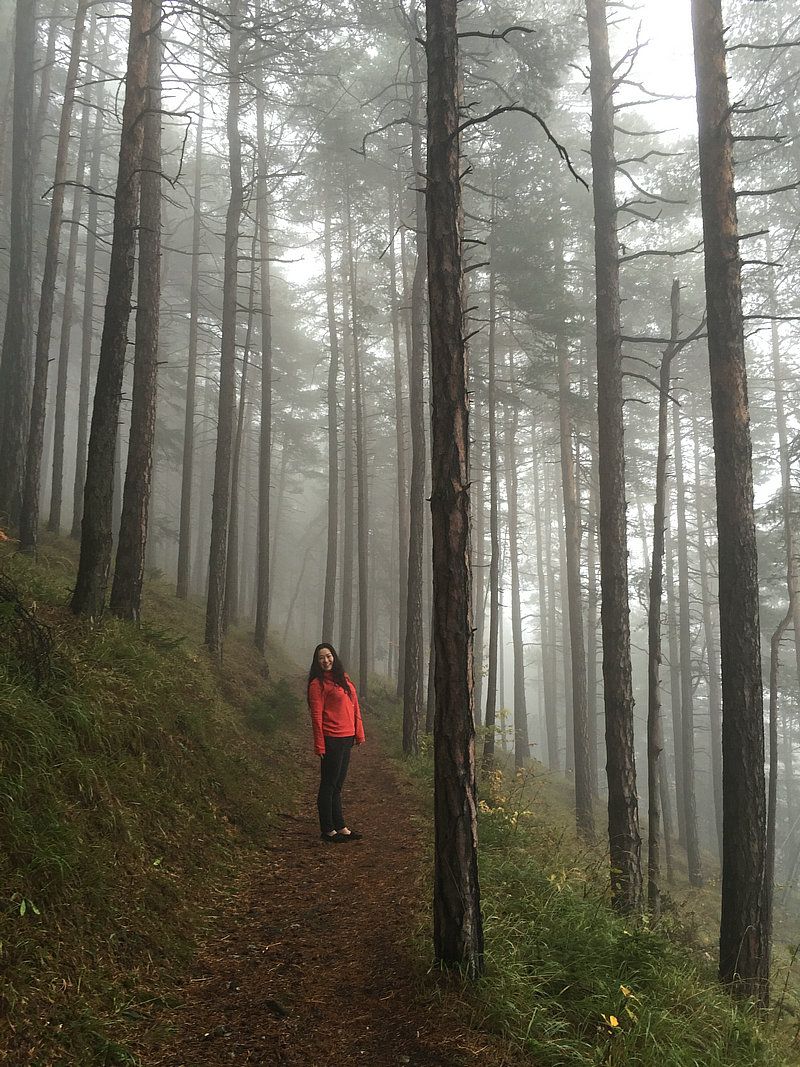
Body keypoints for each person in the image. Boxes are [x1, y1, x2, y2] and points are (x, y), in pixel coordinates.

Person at [307, 642, 365, 842]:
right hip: (331, 739)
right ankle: (328, 829)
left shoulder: (344, 679)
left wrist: (359, 733)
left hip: (346, 738)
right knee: (328, 784)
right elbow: (316, 717)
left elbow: (354, 706)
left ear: (334, 657)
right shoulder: (317, 684)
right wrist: (319, 745)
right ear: (317, 661)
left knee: (338, 785)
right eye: (321, 657)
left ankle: (340, 826)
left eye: (328, 656)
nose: (326, 660)